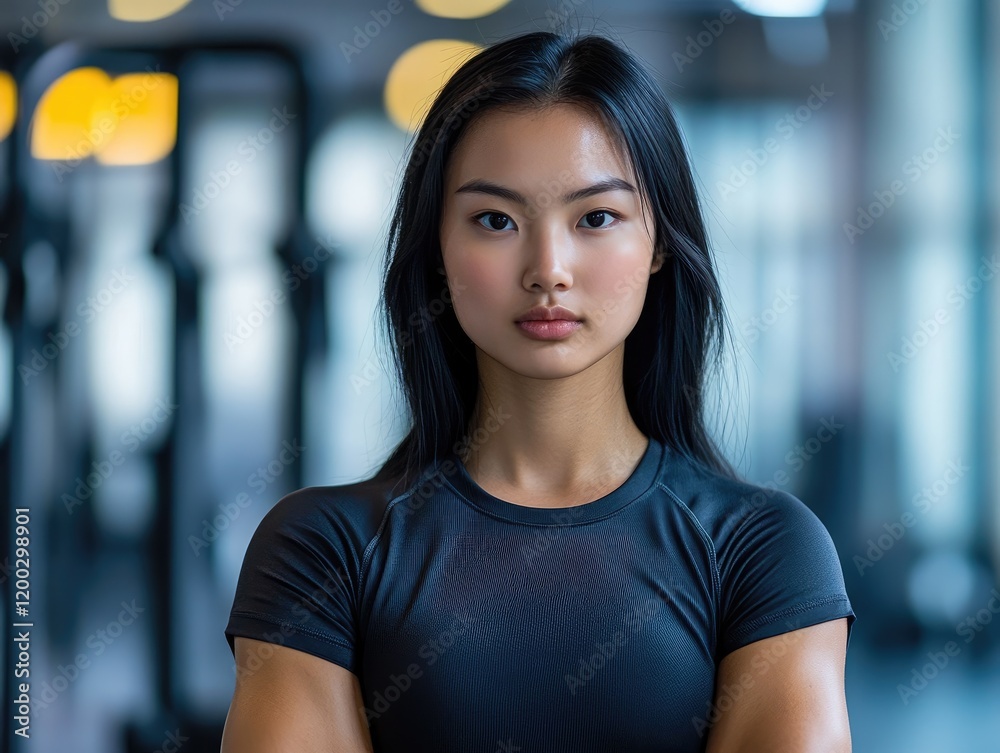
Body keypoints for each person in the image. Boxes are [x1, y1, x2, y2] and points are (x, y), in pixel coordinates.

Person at [221, 29, 856, 753]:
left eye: (596, 217)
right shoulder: (324, 550)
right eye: (496, 220)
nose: (548, 267)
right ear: (437, 251)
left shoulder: (763, 550)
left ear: (658, 245)